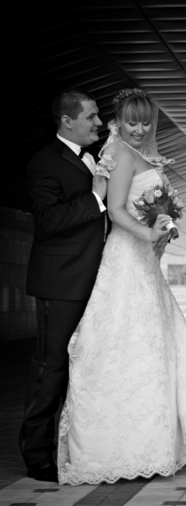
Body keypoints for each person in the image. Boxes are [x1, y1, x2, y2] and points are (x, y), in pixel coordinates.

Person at [57, 87, 186, 485]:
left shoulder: (144, 156)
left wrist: (163, 226)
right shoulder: (119, 153)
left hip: (146, 261)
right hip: (125, 257)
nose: (140, 129)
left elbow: (149, 209)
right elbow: (115, 211)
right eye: (132, 122)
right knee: (124, 344)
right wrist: (148, 234)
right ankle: (113, 448)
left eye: (146, 123)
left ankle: (151, 445)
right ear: (119, 121)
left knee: (154, 346)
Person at [19, 89, 108, 483]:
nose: (99, 122)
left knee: (88, 368)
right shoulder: (43, 163)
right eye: (91, 116)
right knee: (51, 367)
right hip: (61, 282)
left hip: (99, 280)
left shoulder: (96, 158)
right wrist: (96, 198)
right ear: (67, 121)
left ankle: (77, 448)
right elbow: (50, 220)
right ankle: (37, 455)